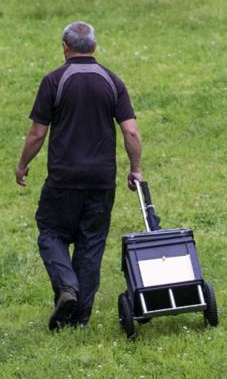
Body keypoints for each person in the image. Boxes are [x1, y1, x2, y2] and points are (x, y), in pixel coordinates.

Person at [14, 21, 142, 330]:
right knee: (91, 244)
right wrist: (134, 168)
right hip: (101, 181)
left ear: (64, 47)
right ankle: (80, 317)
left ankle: (67, 288)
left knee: (50, 232)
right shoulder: (112, 81)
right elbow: (131, 131)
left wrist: (22, 165)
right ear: (95, 47)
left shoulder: (54, 81)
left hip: (63, 180)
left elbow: (37, 134)